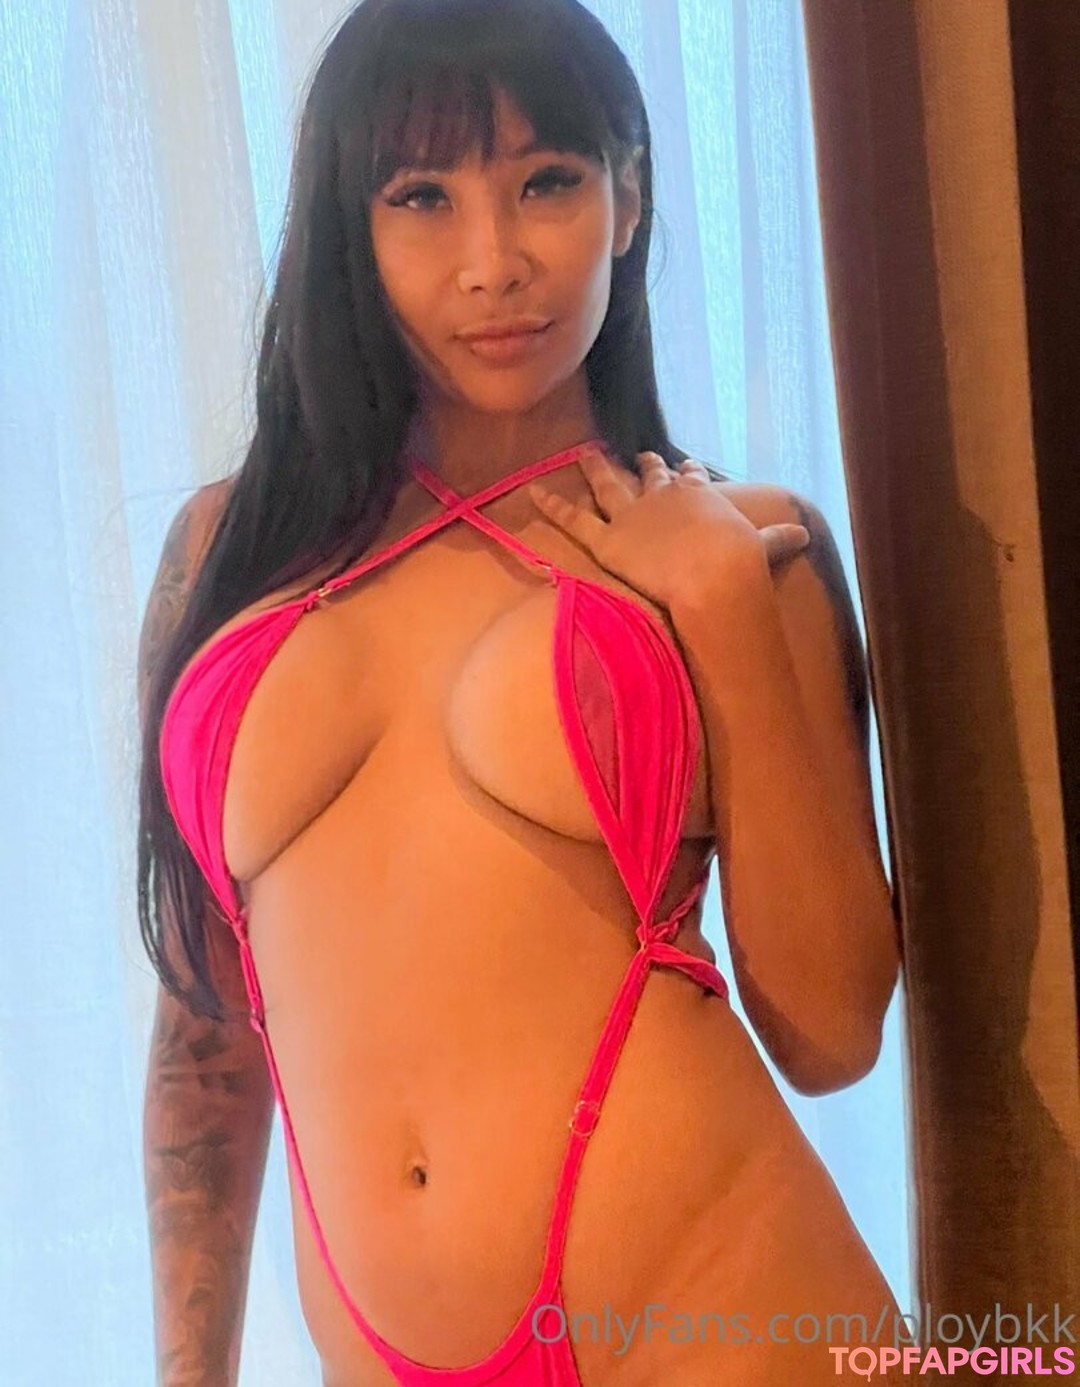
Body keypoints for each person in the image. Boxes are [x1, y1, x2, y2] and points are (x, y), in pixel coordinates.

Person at [137, 1, 905, 1383]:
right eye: (422, 197)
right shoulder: (224, 559)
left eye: (547, 182)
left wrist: (724, 616)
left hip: (728, 1318)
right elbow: (206, 1029)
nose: (494, 263)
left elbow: (833, 1034)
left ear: (628, 198)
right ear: (353, 229)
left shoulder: (750, 552)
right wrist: (190, 1370)